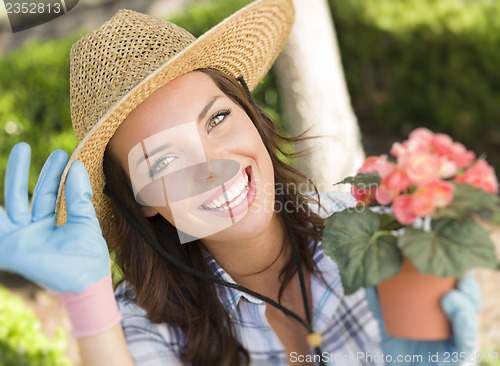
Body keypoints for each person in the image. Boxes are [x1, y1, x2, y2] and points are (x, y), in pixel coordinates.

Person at [0, 0, 481, 365]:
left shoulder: (375, 230)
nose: (213, 164)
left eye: (217, 120)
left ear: (252, 115)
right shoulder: (140, 327)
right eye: (164, 160)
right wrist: (88, 302)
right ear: (140, 201)